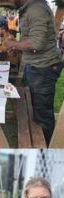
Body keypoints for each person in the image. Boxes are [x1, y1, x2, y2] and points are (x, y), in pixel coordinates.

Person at [6, 0, 63, 145]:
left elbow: (36, 43)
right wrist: (18, 47)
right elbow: (32, 39)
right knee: (35, 108)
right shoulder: (30, 8)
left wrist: (13, 44)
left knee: (42, 114)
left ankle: (44, 151)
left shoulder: (36, 9)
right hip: (37, 67)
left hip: (43, 68)